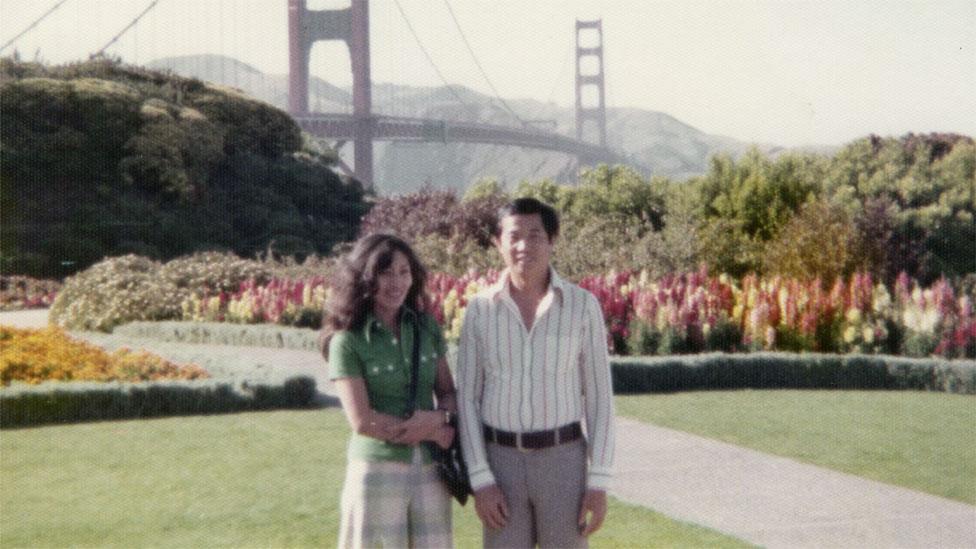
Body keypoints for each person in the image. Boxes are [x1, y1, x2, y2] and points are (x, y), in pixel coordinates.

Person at [457, 197, 616, 548]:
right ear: (498, 243)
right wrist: (481, 479)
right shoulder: (480, 310)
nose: (523, 245)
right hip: (500, 464)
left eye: (535, 235)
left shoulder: (582, 306)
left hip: (564, 462)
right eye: (513, 236)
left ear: (552, 241)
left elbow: (600, 398)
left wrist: (599, 481)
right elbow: (466, 399)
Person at [321, 233, 458, 549]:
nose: (396, 282)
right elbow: (362, 421)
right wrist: (430, 430)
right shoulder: (348, 340)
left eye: (404, 271)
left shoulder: (426, 327)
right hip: (376, 471)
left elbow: (449, 392)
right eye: (385, 272)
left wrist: (442, 417)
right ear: (365, 277)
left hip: (431, 471)